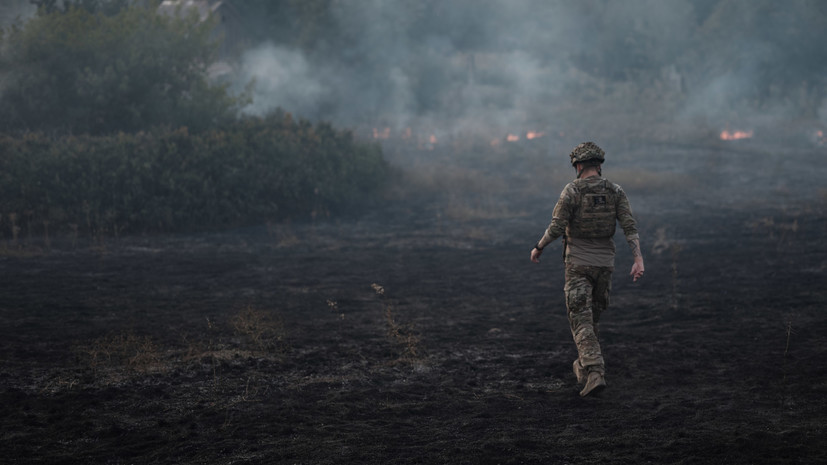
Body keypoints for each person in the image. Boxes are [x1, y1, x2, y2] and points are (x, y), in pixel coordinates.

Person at [530, 142, 644, 397]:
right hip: (605, 265)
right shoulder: (615, 191)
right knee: (590, 320)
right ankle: (582, 366)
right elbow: (629, 226)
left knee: (580, 319)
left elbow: (557, 226)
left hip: (579, 265)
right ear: (599, 165)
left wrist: (539, 247)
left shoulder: (572, 191)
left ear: (578, 166)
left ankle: (594, 371)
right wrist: (638, 259)